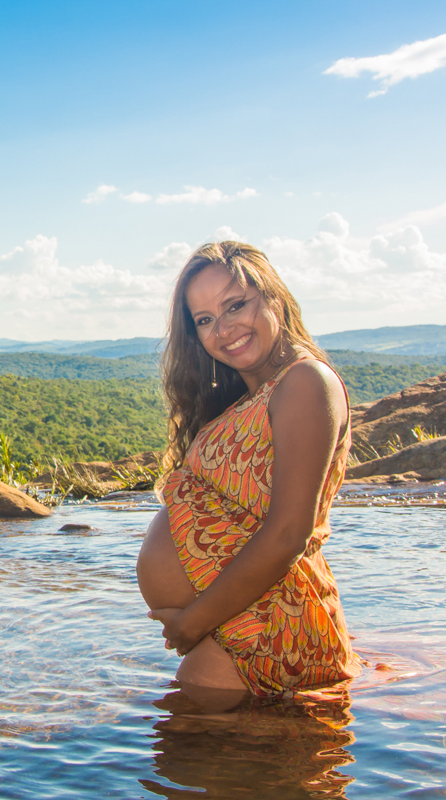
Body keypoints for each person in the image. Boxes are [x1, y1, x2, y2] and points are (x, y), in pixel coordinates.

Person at [136, 240, 361, 702]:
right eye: (205, 320)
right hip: (241, 627)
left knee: (200, 766)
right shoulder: (252, 395)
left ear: (273, 295)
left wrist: (192, 621)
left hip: (271, 627)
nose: (224, 328)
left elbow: (288, 534)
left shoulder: (304, 382)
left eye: (235, 305)